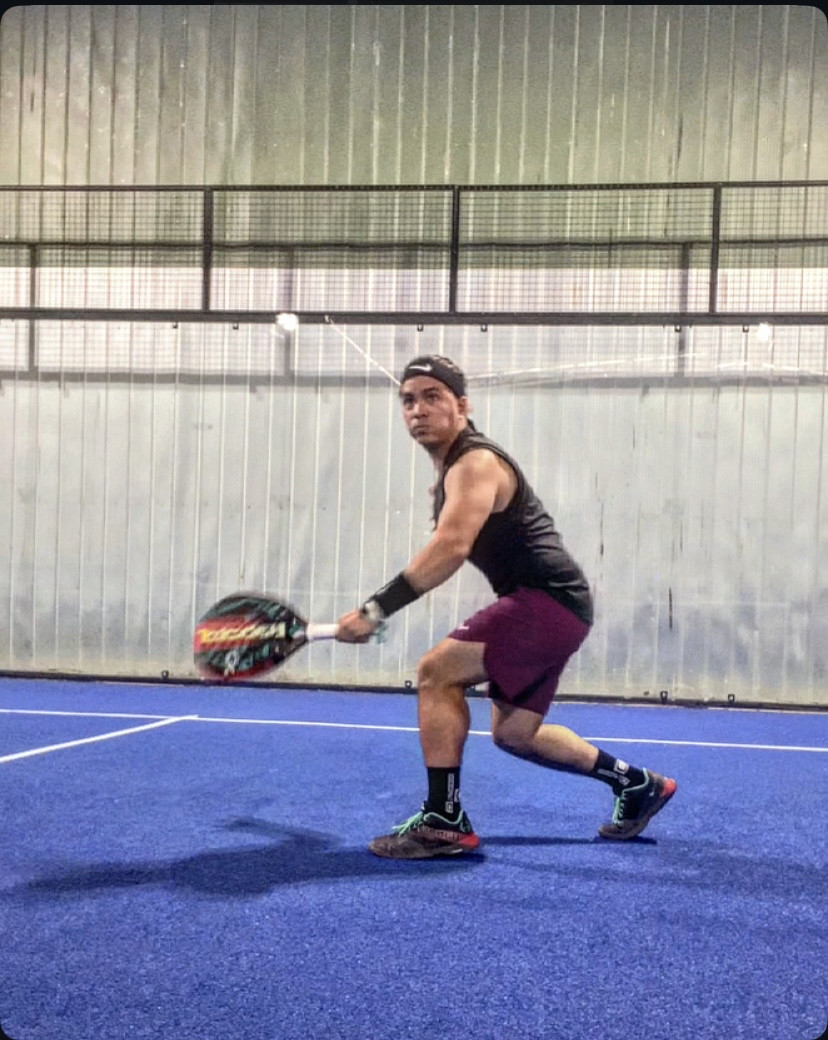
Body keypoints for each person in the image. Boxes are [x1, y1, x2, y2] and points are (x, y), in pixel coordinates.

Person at [336, 354, 676, 859]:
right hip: (557, 605)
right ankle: (637, 784)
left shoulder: (475, 464)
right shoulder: (457, 469)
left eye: (432, 397)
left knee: (435, 673)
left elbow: (451, 548)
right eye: (408, 401)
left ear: (462, 405)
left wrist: (374, 611)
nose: (418, 410)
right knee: (515, 735)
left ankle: (444, 821)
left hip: (545, 601)